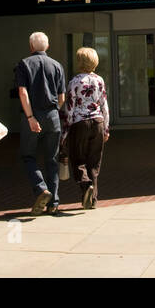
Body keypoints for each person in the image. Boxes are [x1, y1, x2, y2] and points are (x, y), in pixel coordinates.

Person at [15, 32, 66, 215]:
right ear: (47, 46)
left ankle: (41, 188)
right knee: (52, 159)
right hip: (53, 115)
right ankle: (54, 203)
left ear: (31, 46)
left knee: (28, 155)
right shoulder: (57, 65)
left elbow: (23, 92)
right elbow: (61, 97)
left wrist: (31, 117)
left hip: (32, 114)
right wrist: (53, 112)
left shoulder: (24, 64)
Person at [62, 47, 110, 210]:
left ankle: (85, 185)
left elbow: (69, 108)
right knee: (94, 163)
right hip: (98, 122)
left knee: (78, 160)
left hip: (80, 123)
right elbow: (104, 105)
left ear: (80, 62)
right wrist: (106, 129)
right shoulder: (99, 80)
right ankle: (92, 199)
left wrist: (65, 132)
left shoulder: (75, 81)